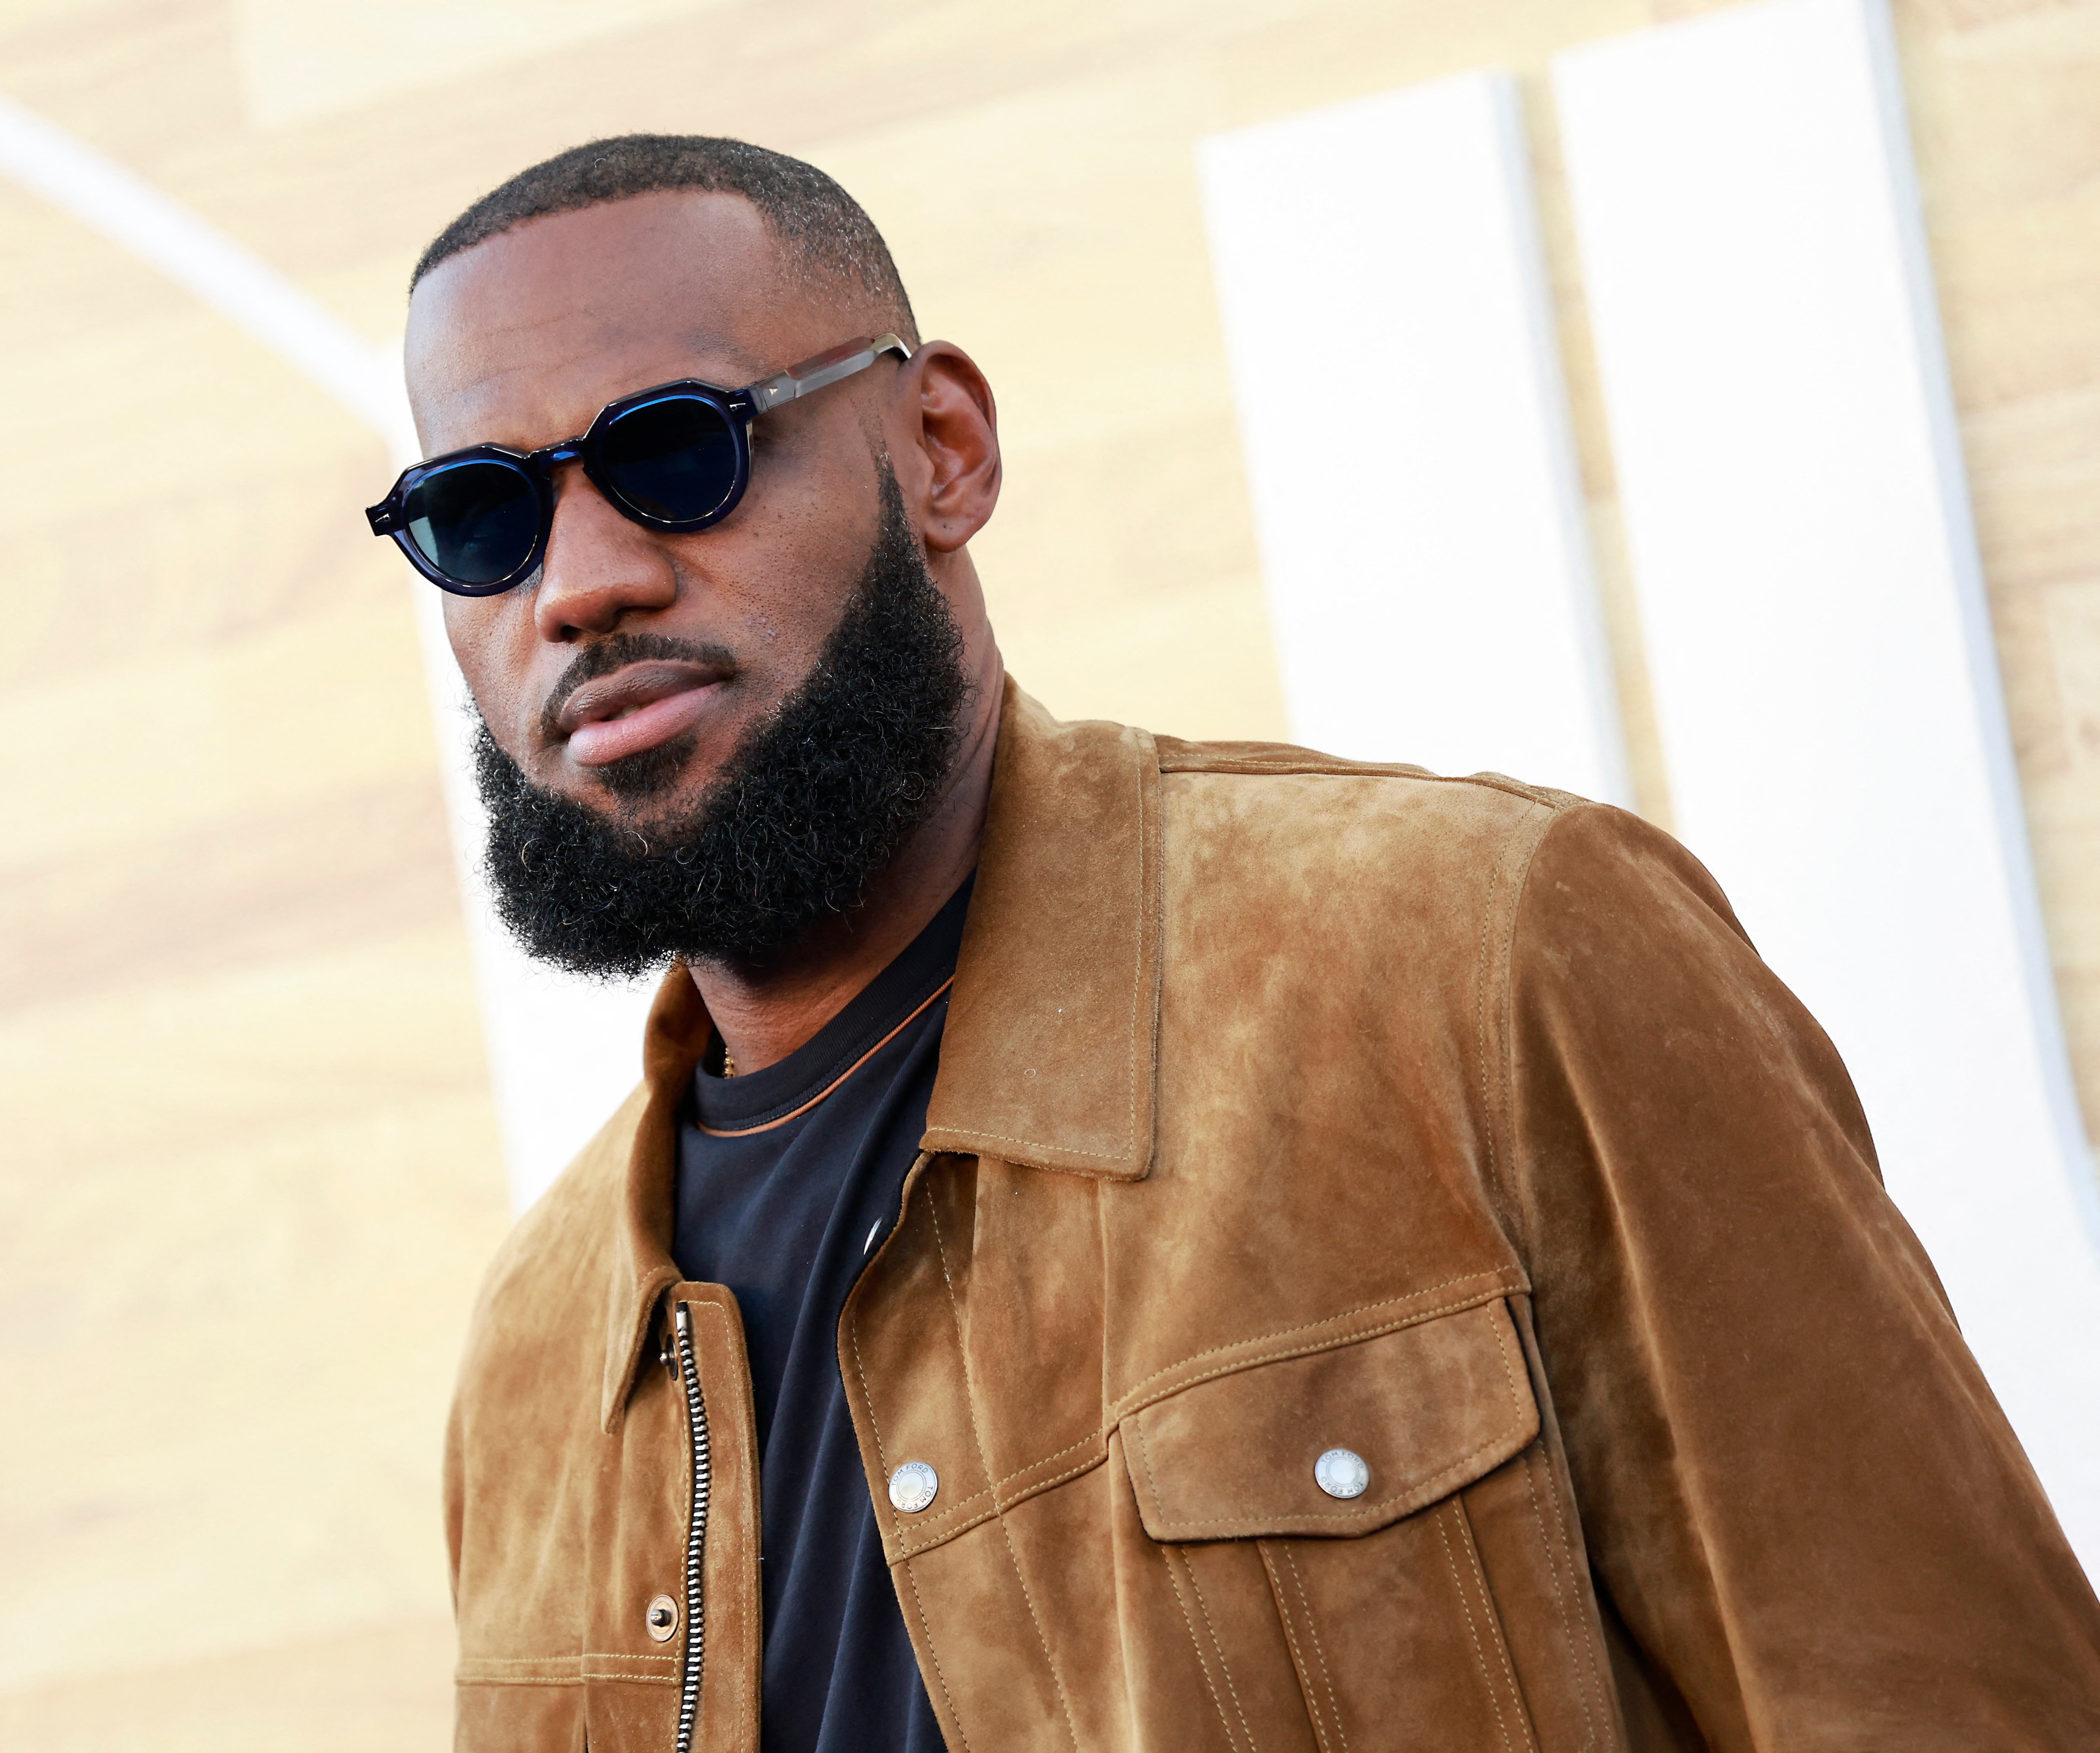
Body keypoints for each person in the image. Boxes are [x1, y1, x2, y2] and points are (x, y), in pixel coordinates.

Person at [389, 135, 2100, 1752]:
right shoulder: (539, 1357)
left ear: (942, 452)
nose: (581, 581)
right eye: (482, 516)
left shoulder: (1475, 952)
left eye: (680, 450)